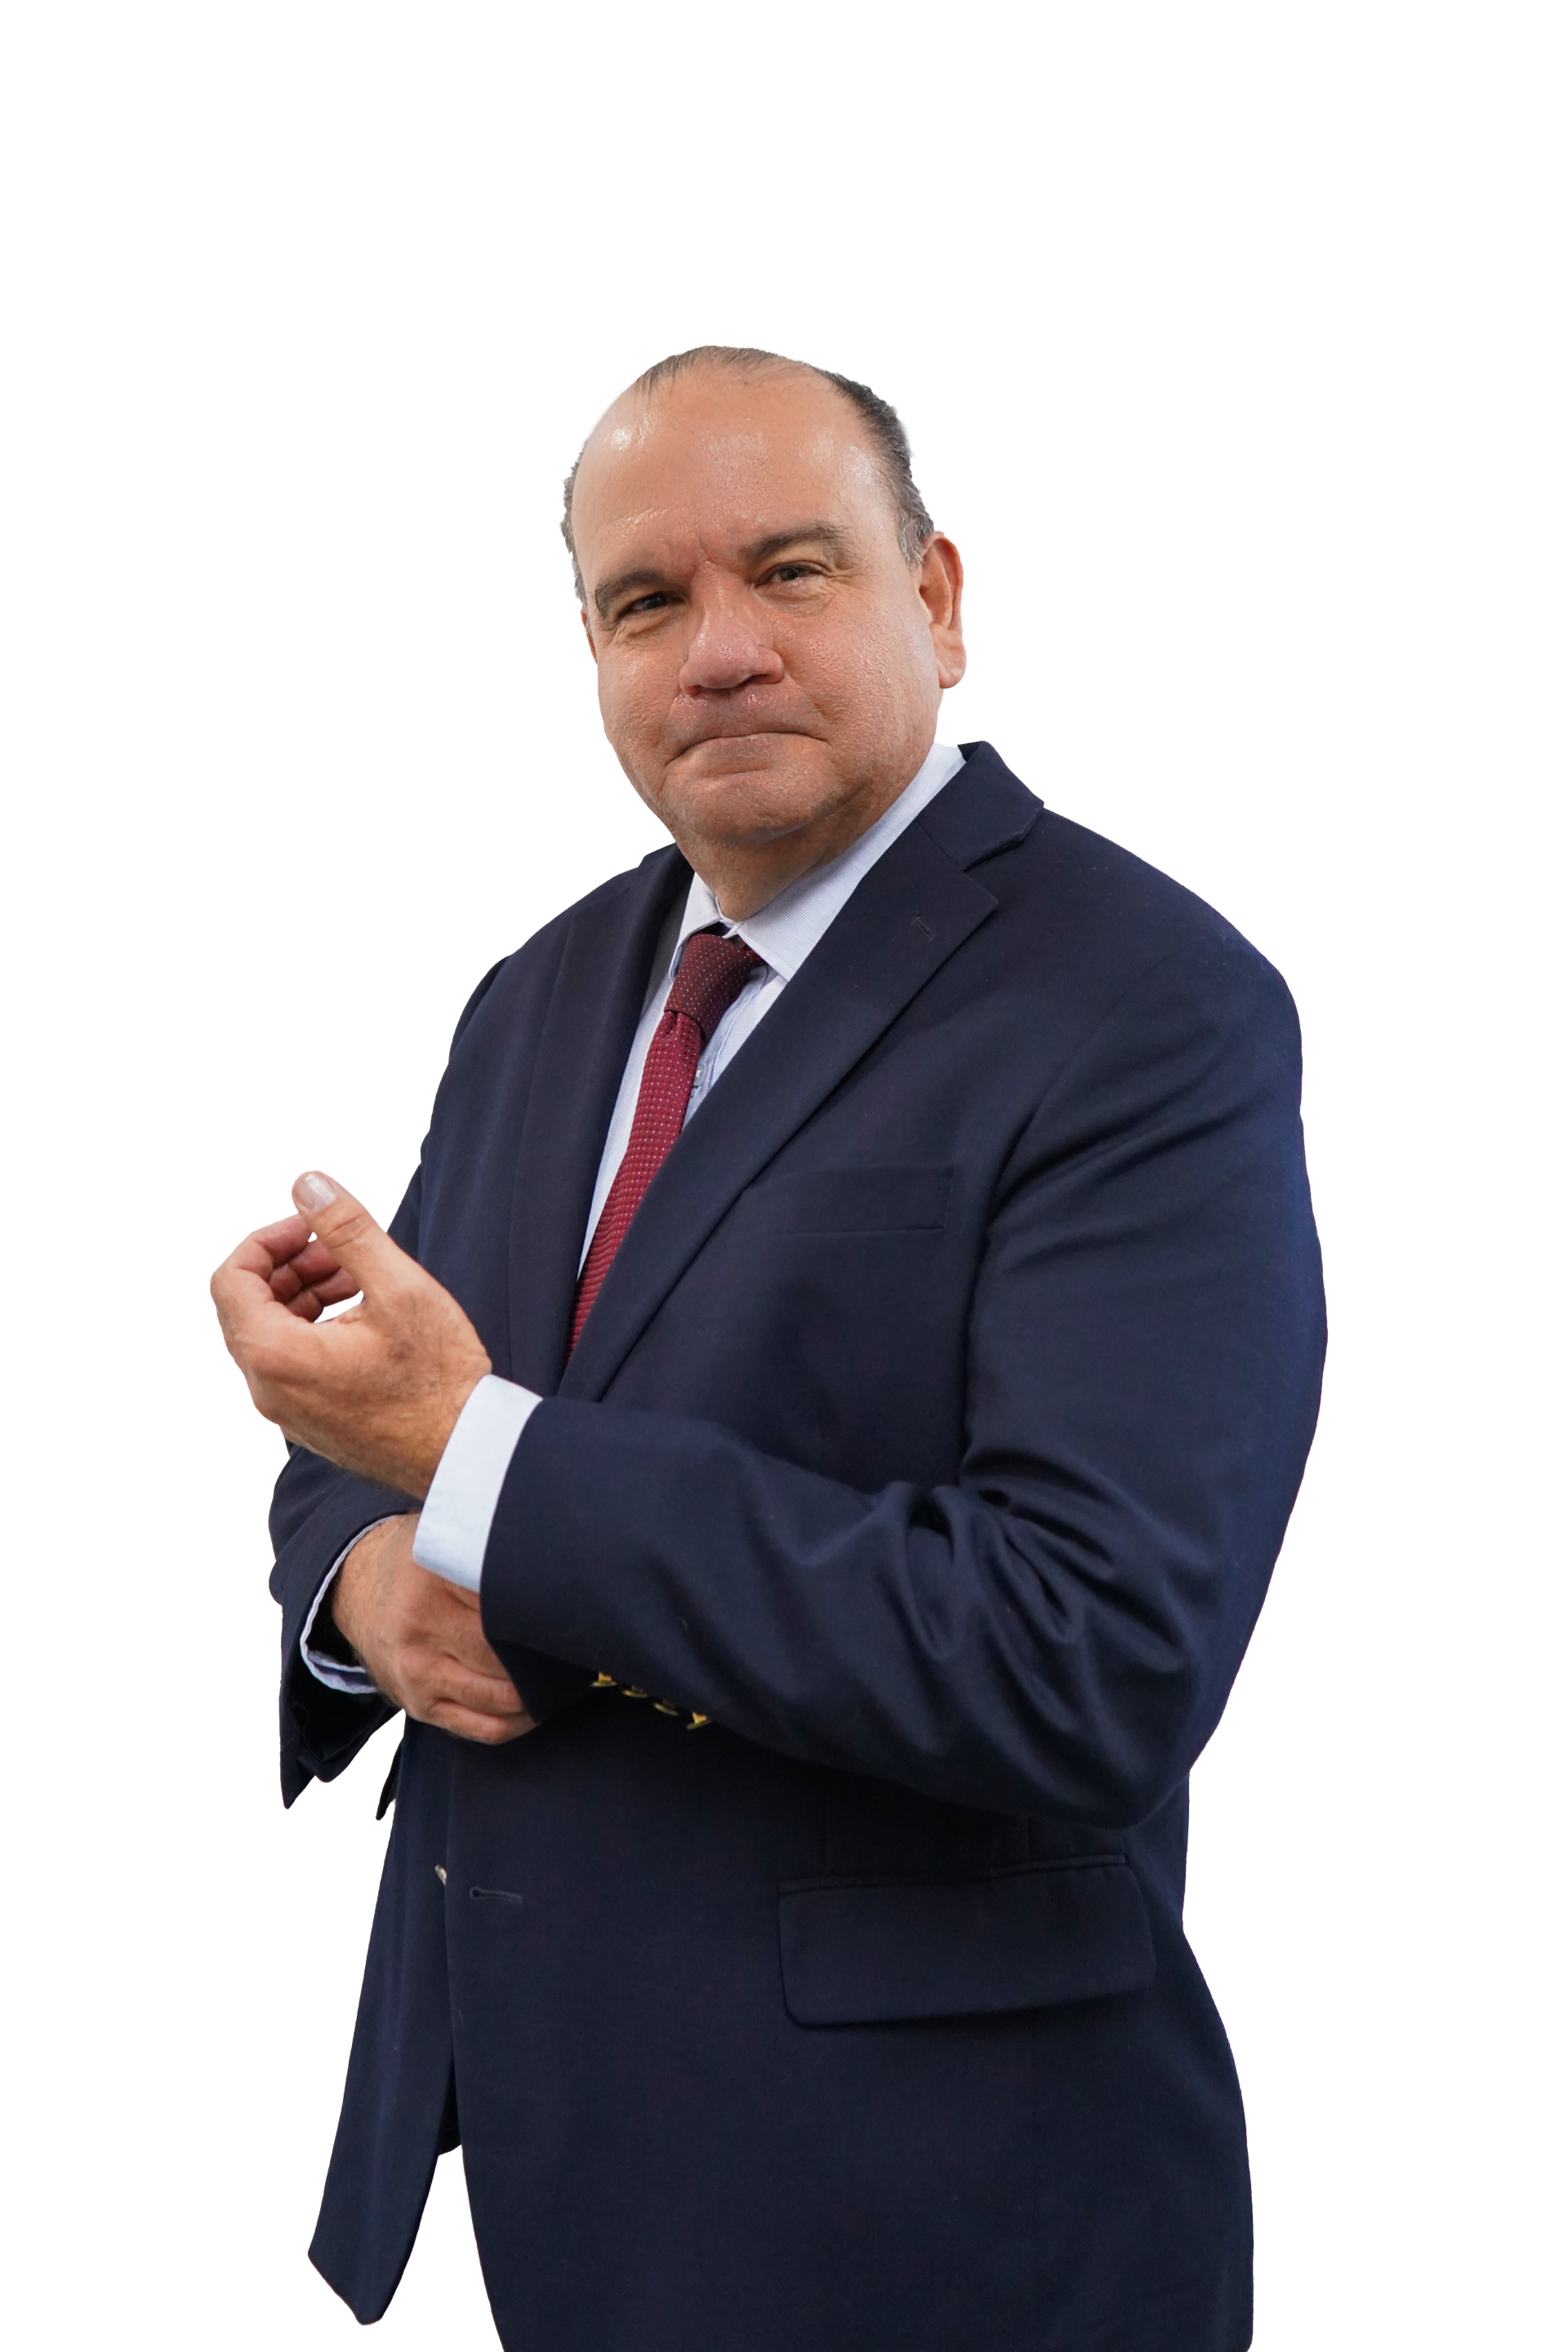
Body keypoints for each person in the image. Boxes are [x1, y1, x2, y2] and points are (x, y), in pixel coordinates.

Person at [212, 343, 1325, 2350]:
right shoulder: (537, 992)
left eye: (791, 570)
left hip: (917, 2220)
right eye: (646, 600)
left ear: (940, 601)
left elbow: (1090, 1657)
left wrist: (476, 1462)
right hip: (492, 2166)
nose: (718, 650)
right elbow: (378, 1429)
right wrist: (360, 1586)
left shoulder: (1151, 1003)